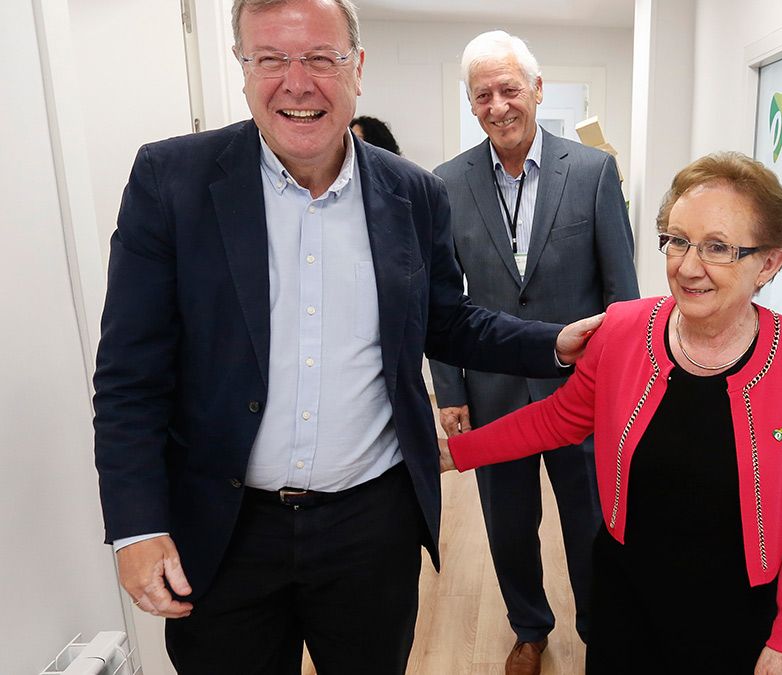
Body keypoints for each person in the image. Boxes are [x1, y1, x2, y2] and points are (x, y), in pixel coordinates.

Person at [91, 1, 600, 672]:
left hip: (370, 528)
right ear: (242, 68)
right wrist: (138, 524)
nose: (297, 82)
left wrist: (554, 342)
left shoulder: (414, 193)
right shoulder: (171, 181)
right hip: (224, 529)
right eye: (271, 58)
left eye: (322, 58)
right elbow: (130, 377)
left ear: (357, 68)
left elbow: (446, 320)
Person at [444, 152, 782, 674]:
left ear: (769, 262)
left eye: (717, 248)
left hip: (736, 611)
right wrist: (454, 453)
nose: (687, 266)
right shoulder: (625, 330)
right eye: (677, 240)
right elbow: (558, 419)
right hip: (626, 594)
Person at [429, 30, 639, 675]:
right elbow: (440, 305)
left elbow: (622, 296)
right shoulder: (446, 184)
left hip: (582, 396)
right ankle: (529, 628)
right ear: (471, 104)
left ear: (537, 91)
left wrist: (625, 391)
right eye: (482, 94)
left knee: (590, 525)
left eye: (509, 89)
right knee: (508, 526)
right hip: (492, 393)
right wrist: (452, 391)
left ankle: (602, 635)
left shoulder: (594, 171)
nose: (498, 105)